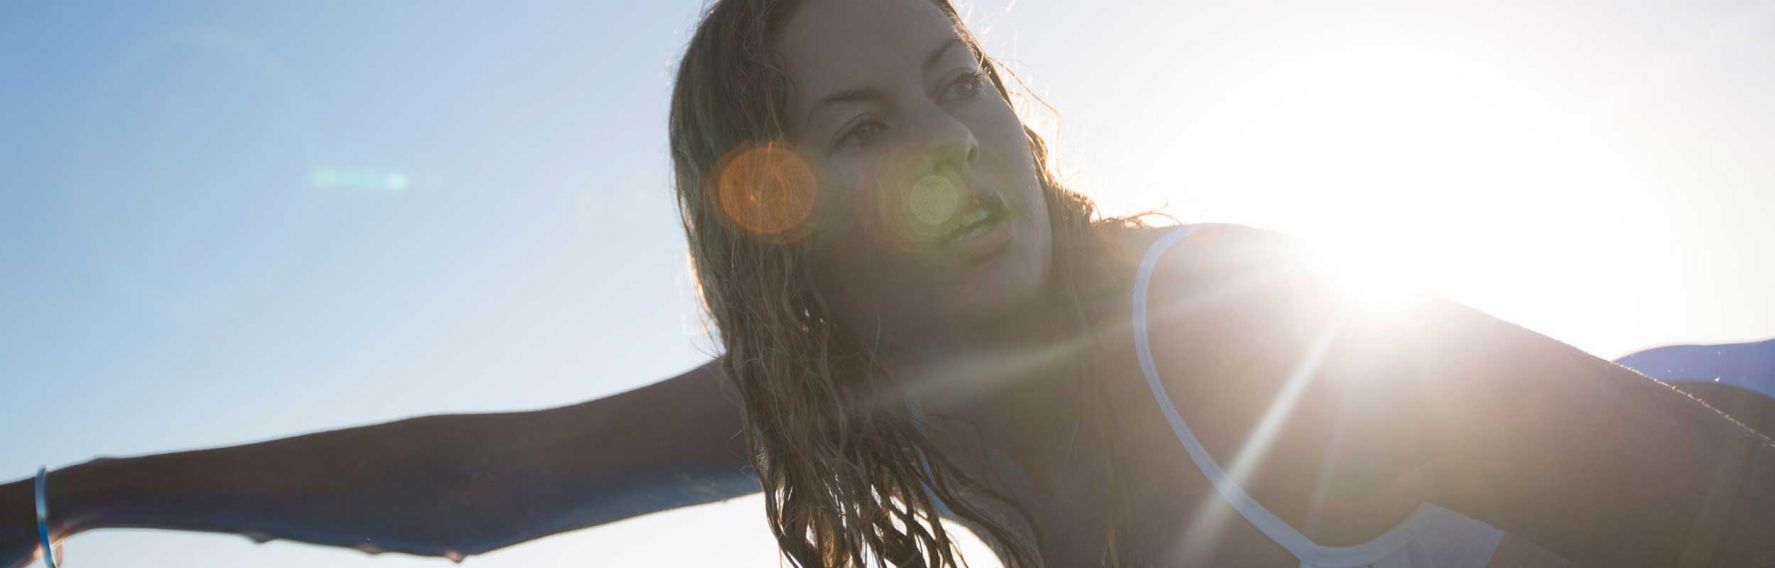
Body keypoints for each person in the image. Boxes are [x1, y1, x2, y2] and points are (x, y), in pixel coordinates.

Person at [6, 0, 1775, 566]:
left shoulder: (1240, 337)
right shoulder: (849, 395)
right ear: (774, 223)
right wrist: (68, 502)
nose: (949, 147)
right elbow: (485, 482)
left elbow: (1724, 504)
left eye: (957, 83)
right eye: (860, 124)